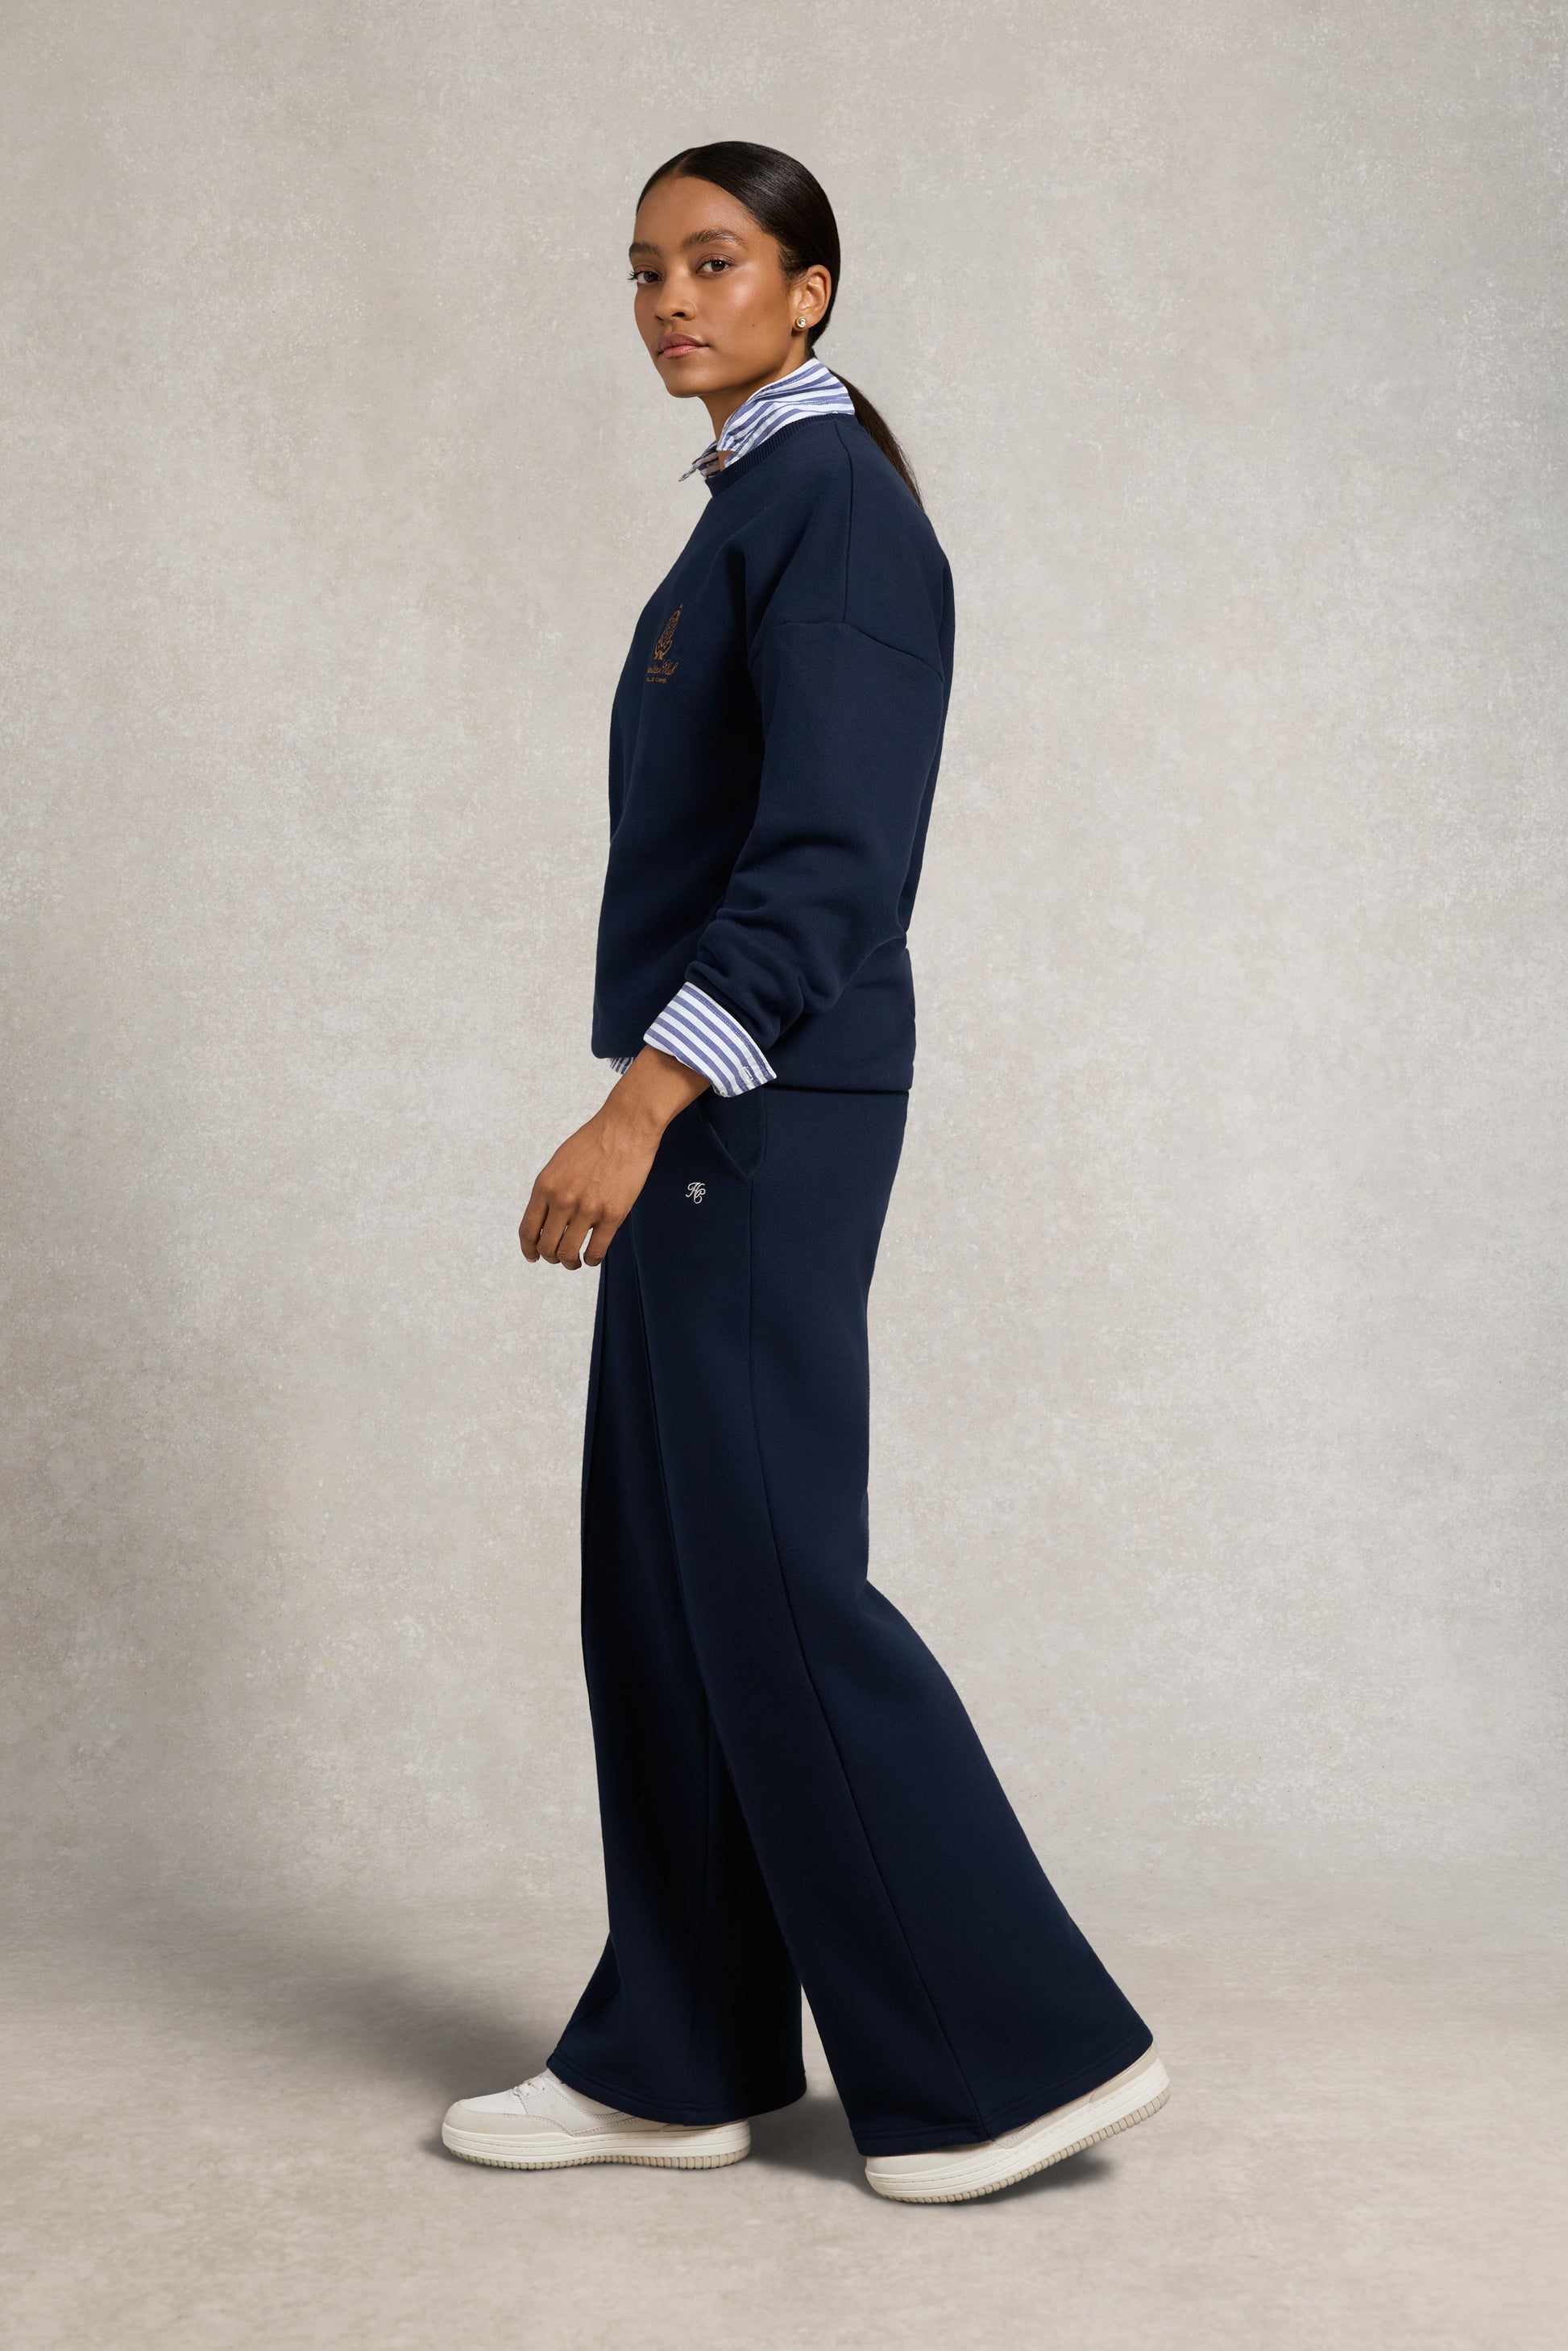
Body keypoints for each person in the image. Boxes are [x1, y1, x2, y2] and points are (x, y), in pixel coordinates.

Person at [441, 141, 1168, 2204]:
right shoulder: (758, 500)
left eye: (718, 261)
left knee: (766, 1574)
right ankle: (675, 2058)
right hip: (724, 1103)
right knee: (668, 1578)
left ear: (811, 289)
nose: (673, 300)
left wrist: (643, 1103)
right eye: (646, 270)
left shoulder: (830, 505)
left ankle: (1013, 2058)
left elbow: (832, 862)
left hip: (751, 1105)